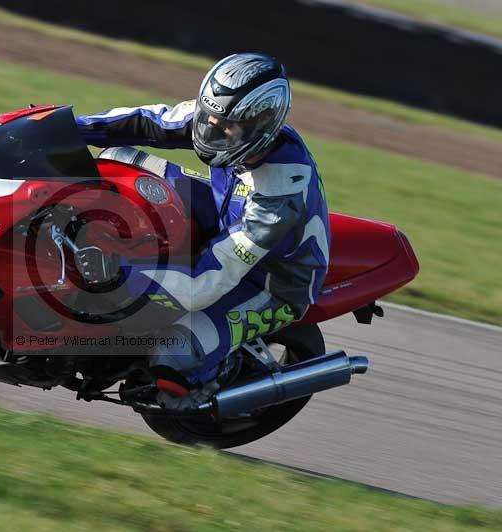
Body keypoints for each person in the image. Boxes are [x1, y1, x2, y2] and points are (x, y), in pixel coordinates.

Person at [75, 53, 331, 406]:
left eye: (225, 127)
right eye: (209, 118)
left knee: (175, 354)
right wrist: (66, 127)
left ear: (261, 125)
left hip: (268, 280)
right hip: (221, 214)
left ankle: (203, 391)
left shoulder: (280, 192)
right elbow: (146, 121)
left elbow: (209, 281)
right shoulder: (221, 119)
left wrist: (123, 274)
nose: (210, 130)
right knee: (116, 160)